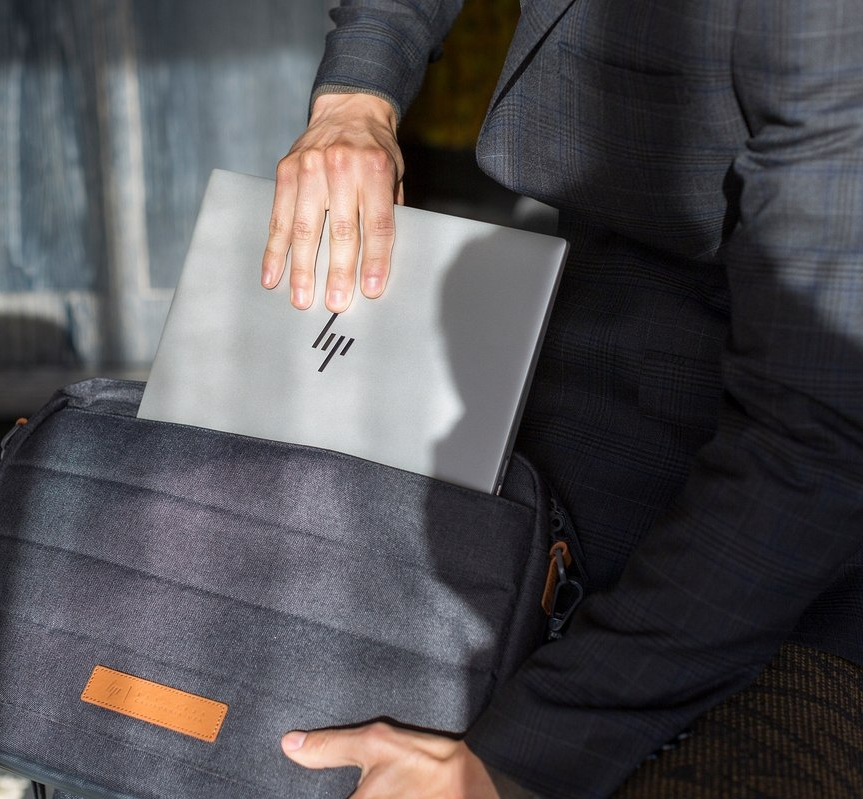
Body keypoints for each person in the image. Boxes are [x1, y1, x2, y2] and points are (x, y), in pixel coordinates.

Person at [262, 1, 863, 797]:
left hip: (786, 549)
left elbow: (813, 453)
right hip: (574, 365)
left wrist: (513, 761)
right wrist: (357, 94)